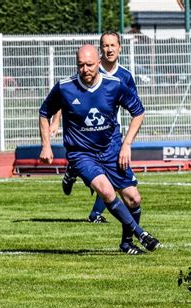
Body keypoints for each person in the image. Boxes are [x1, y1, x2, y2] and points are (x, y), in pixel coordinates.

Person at [39, 44, 160, 255]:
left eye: (89, 65)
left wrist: (127, 145)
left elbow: (138, 113)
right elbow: (44, 112)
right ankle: (141, 233)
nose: (85, 69)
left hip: (112, 149)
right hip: (81, 153)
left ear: (99, 63)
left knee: (134, 198)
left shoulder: (115, 85)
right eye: (80, 65)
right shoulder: (65, 87)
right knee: (105, 190)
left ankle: (126, 244)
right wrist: (46, 145)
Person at [50, 31, 140, 225]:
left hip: (111, 134)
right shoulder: (88, 71)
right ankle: (74, 169)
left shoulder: (124, 76)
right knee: (104, 180)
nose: (109, 49)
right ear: (99, 53)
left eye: (112, 45)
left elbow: (136, 107)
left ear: (119, 48)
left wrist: (127, 143)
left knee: (117, 183)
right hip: (86, 136)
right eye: (105, 46)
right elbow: (65, 99)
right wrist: (56, 121)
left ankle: (99, 215)